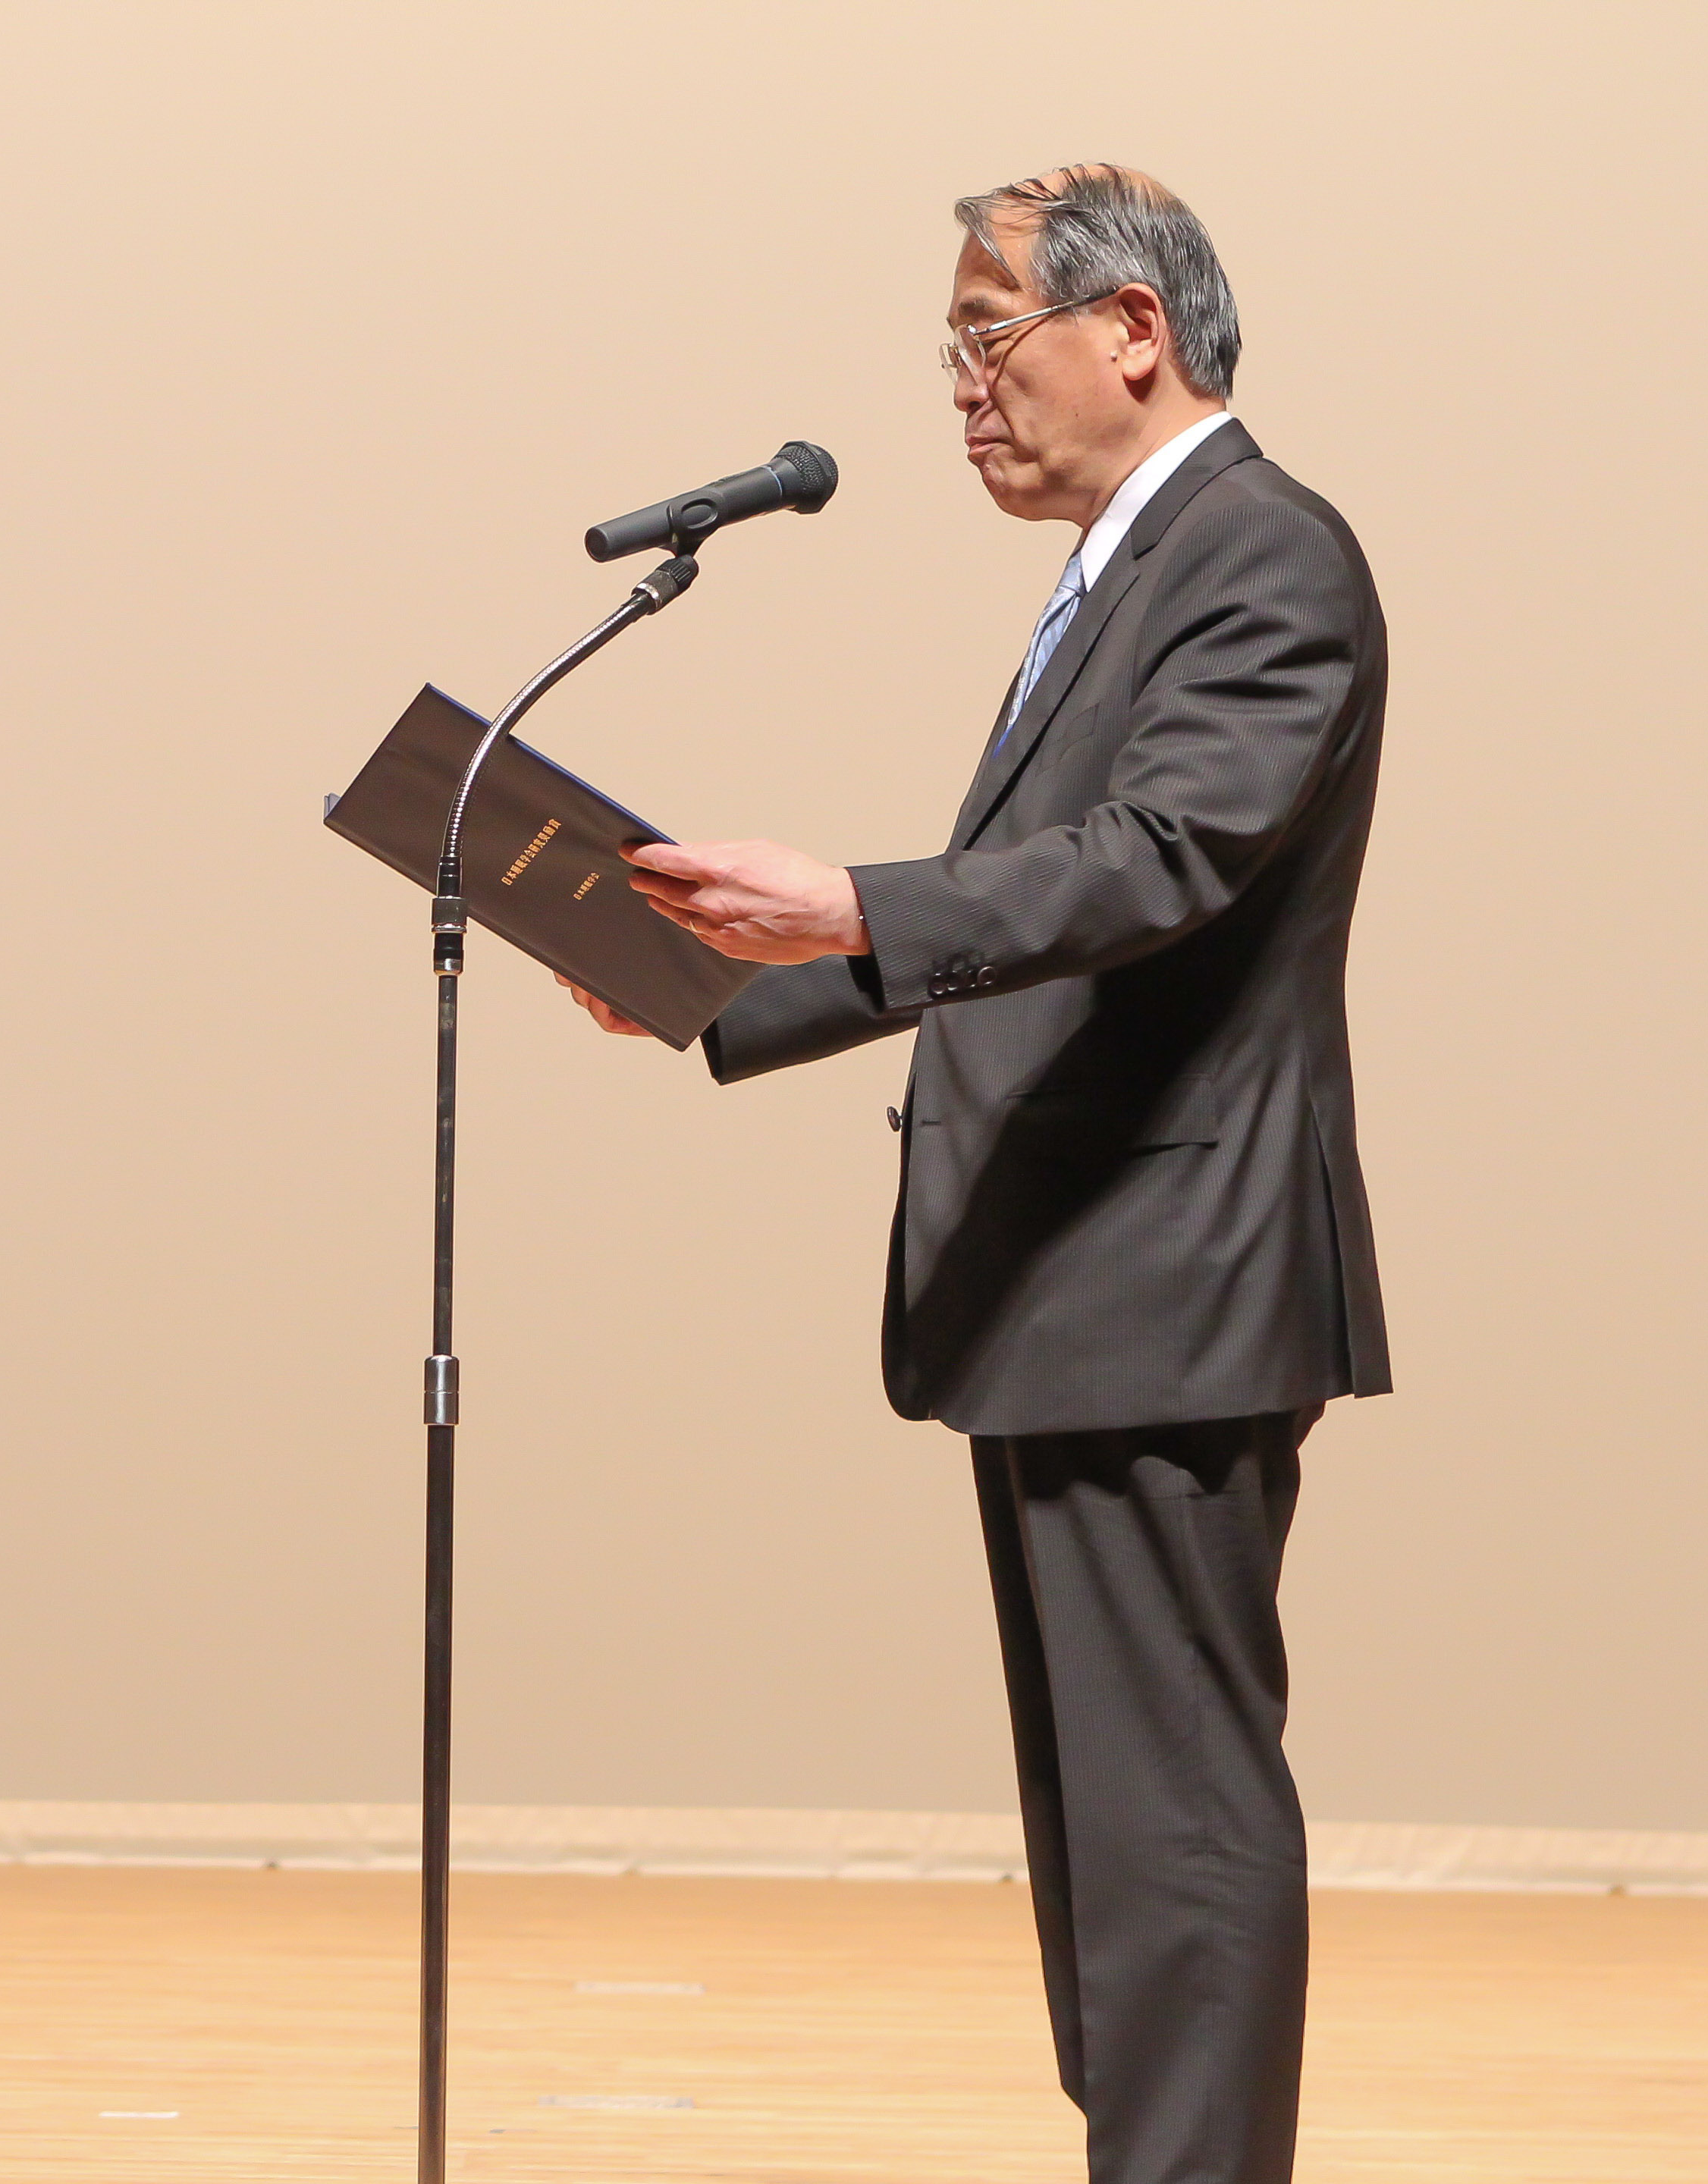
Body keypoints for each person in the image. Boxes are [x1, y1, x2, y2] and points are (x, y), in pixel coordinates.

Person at [564, 167, 1388, 2184]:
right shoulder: (1133, 568)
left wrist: (839, 897)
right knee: (1113, 1832)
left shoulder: (1263, 553)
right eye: (948, 350)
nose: (959, 390)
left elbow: (1153, 865)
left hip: (1168, 1282)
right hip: (1078, 1291)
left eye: (984, 335)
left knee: (1174, 1818)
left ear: (1136, 331)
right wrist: (710, 995)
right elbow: (1030, 912)